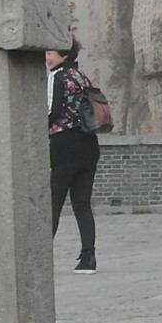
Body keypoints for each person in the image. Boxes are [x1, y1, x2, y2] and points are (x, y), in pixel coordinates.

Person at [46, 43, 110, 272]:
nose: (47, 57)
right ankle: (88, 257)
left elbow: (52, 111)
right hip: (89, 144)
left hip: (65, 145)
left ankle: (42, 258)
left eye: (50, 53)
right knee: (82, 204)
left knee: (53, 203)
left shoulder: (57, 76)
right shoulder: (81, 75)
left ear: (63, 53)